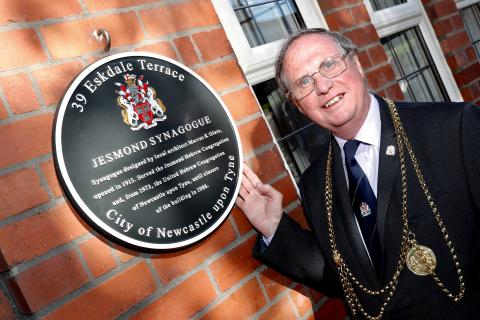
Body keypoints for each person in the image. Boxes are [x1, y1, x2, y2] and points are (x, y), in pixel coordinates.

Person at [235, 28, 480, 319]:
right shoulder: (314, 185)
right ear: (299, 104)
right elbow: (351, 280)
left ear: (357, 64)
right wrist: (275, 229)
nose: (323, 86)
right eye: (304, 82)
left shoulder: (452, 128)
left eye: (328, 64)